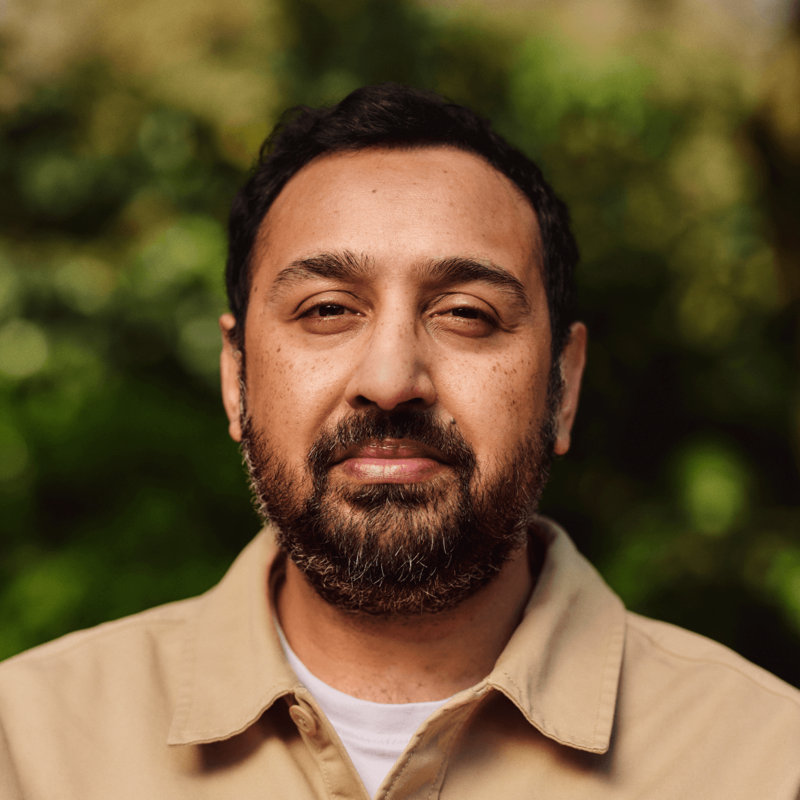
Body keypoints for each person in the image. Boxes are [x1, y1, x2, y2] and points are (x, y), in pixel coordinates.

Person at [1, 83, 798, 800]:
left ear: (565, 386)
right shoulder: (27, 749)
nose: (390, 378)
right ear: (236, 379)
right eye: (326, 310)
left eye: (465, 314)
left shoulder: (765, 761)